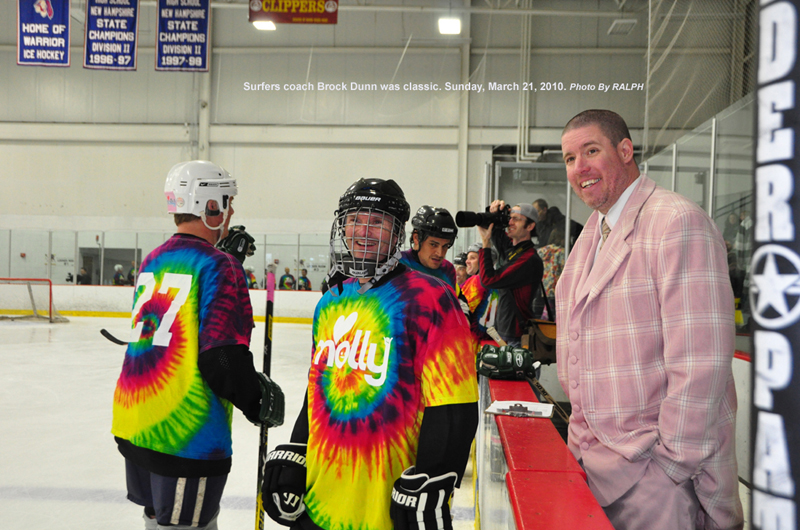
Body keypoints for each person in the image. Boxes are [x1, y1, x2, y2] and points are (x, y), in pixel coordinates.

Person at [558, 109, 742, 530]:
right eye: (569, 158)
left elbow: (701, 362)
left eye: (591, 150)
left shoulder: (677, 222)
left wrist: (671, 465)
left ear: (625, 151)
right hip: (597, 463)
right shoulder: (594, 232)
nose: (579, 167)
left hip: (657, 477)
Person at [260, 178, 478, 530]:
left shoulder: (432, 299)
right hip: (318, 505)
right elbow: (318, 389)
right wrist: (297, 449)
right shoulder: (331, 301)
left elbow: (454, 407)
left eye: (377, 222)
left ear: (398, 234)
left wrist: (433, 479)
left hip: (387, 509)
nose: (363, 231)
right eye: (355, 220)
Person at [111, 160, 284, 530]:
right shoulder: (222, 267)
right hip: (184, 436)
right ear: (210, 206)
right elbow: (220, 358)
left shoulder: (155, 257)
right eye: (227, 201)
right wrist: (256, 401)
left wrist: (225, 259)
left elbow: (178, 319)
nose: (231, 210)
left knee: (157, 519)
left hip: (137, 421)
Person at [475, 201, 543, 346]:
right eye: (509, 218)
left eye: (516, 219)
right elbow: (498, 235)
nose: (510, 223)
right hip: (505, 331)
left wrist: (485, 244)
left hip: (518, 336)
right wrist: (494, 213)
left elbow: (489, 280)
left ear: (530, 226)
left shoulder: (528, 259)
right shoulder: (515, 250)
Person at [398, 205, 459, 289]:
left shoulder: (448, 269)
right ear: (416, 238)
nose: (440, 253)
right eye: (433, 245)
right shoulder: (397, 264)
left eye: (445, 246)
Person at [460, 242, 499, 342]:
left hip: (473, 343)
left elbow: (459, 311)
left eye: (472, 258)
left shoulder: (476, 281)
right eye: (467, 258)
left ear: (484, 261)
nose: (467, 262)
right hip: (491, 341)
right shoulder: (498, 282)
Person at [534, 227, 565, 320]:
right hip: (555, 286)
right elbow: (564, 269)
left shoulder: (541, 251)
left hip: (542, 286)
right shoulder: (561, 252)